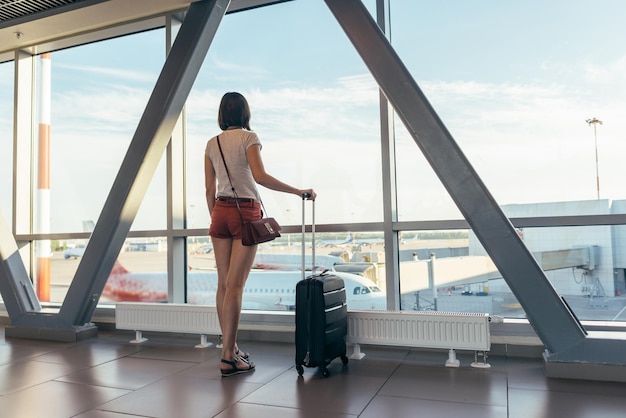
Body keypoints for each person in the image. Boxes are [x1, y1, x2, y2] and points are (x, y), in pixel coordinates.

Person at [204, 92, 316, 377]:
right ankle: (228, 358)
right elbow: (261, 176)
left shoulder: (211, 144)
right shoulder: (249, 138)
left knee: (223, 285)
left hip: (219, 211)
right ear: (245, 112)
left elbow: (208, 188)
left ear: (221, 114)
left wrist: (216, 216)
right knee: (236, 286)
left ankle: (231, 349)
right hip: (245, 213)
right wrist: (298, 190)